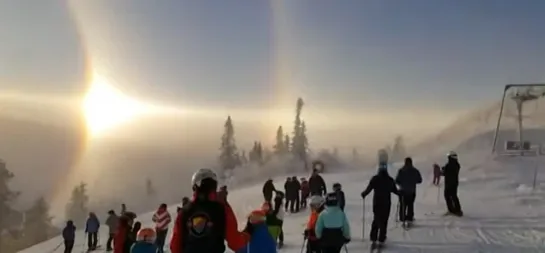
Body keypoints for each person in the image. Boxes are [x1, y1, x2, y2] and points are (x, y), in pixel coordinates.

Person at [170, 168, 254, 253]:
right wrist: (249, 232)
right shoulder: (221, 208)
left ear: (194, 187)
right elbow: (235, 241)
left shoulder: (184, 212)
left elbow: (175, 246)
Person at [361, 164, 399, 249]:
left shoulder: (375, 179)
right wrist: (401, 194)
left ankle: (373, 238)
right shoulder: (390, 180)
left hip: (377, 204)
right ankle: (381, 239)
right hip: (386, 204)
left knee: (376, 220)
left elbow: (369, 189)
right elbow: (395, 190)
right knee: (384, 221)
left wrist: (364, 194)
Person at [395, 157, 422, 226]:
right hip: (412, 191)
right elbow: (420, 180)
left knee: (403, 205)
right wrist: (413, 181)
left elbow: (397, 180)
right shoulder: (415, 171)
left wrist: (401, 183)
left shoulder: (401, 171)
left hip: (402, 191)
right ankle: (410, 218)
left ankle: (402, 217)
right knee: (410, 205)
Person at [442, 151, 463, 216]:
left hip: (449, 183)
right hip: (454, 182)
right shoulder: (456, 164)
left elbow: (446, 172)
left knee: (448, 196)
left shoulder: (449, 165)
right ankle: (456, 210)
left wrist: (443, 170)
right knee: (453, 196)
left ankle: (454, 210)